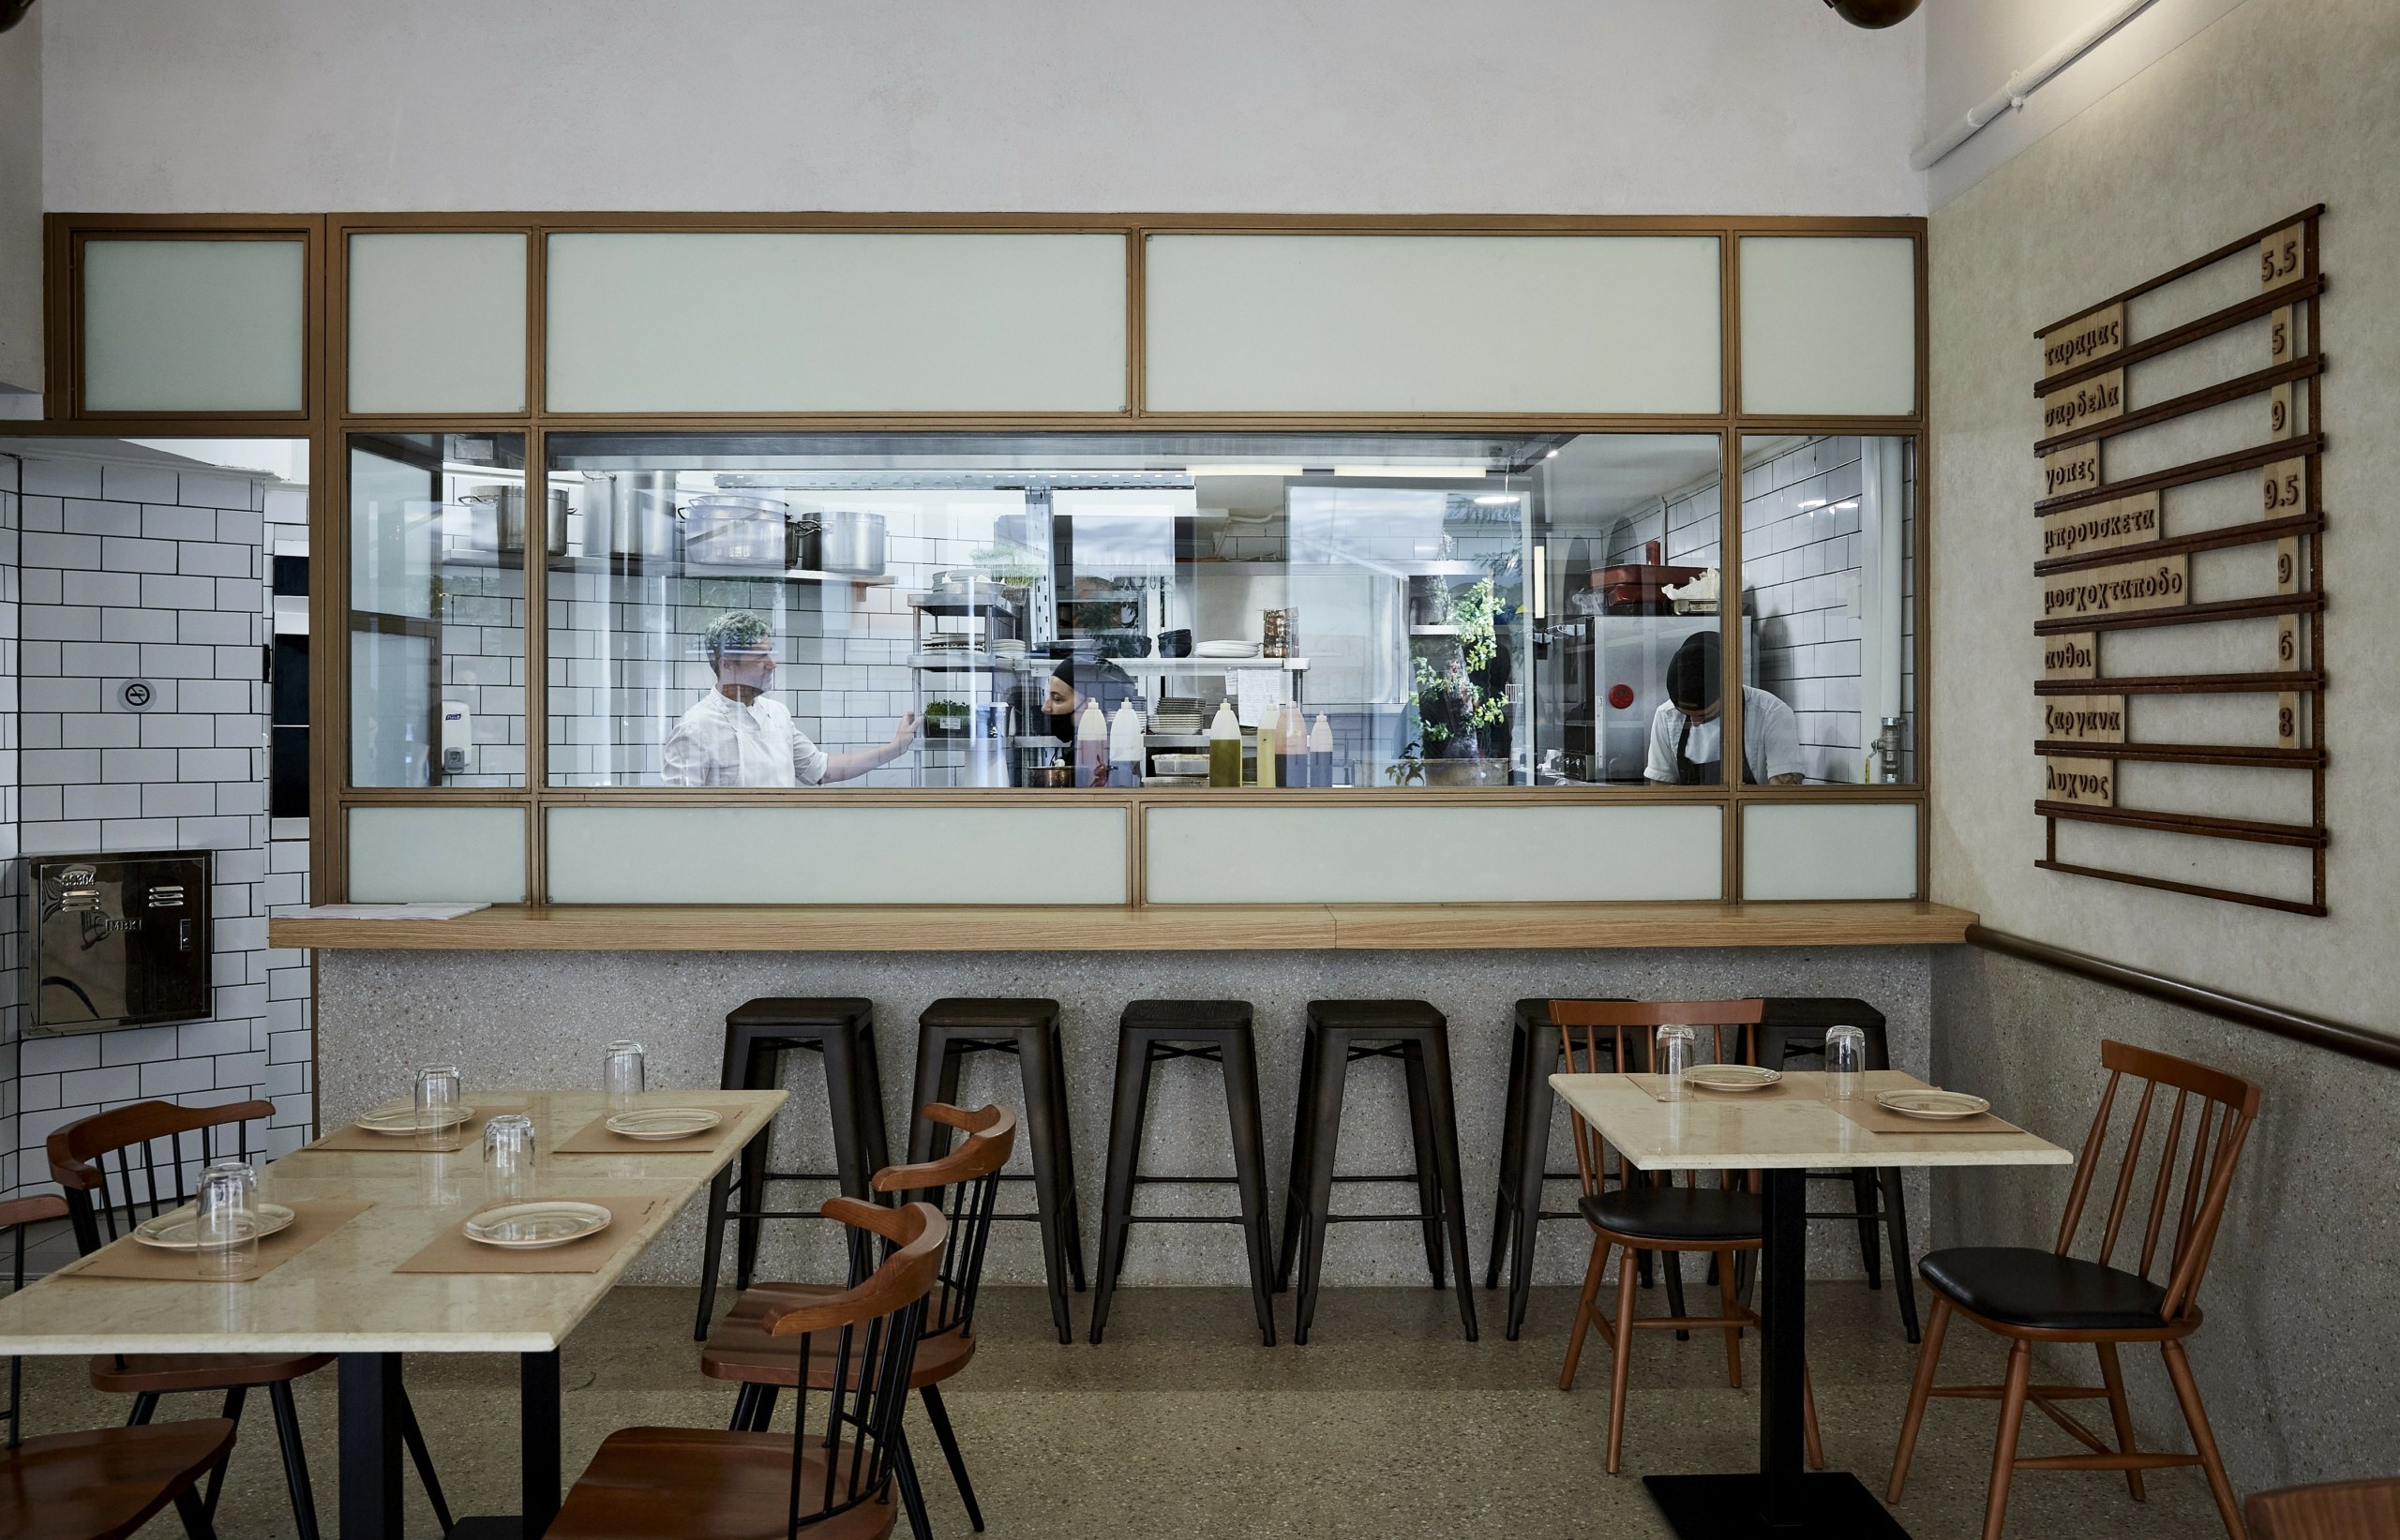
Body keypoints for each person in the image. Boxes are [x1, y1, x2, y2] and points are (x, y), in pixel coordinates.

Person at [661, 611, 917, 786]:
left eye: (769, 654)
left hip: (782, 842)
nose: (772, 664)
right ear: (728, 665)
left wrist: (895, 748)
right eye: (759, 657)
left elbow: (822, 770)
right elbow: (679, 816)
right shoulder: (695, 728)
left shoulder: (776, 713)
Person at [1643, 630, 1806, 785]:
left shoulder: (1771, 713)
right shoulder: (1666, 715)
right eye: (1686, 714)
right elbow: (1661, 784)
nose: (1695, 723)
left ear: (1729, 691)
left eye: (1704, 715)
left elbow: (1783, 789)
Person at [1040, 655, 1139, 742]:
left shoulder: (1099, 753)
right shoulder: (1082, 748)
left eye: (1057, 699)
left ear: (1090, 705)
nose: (1044, 707)